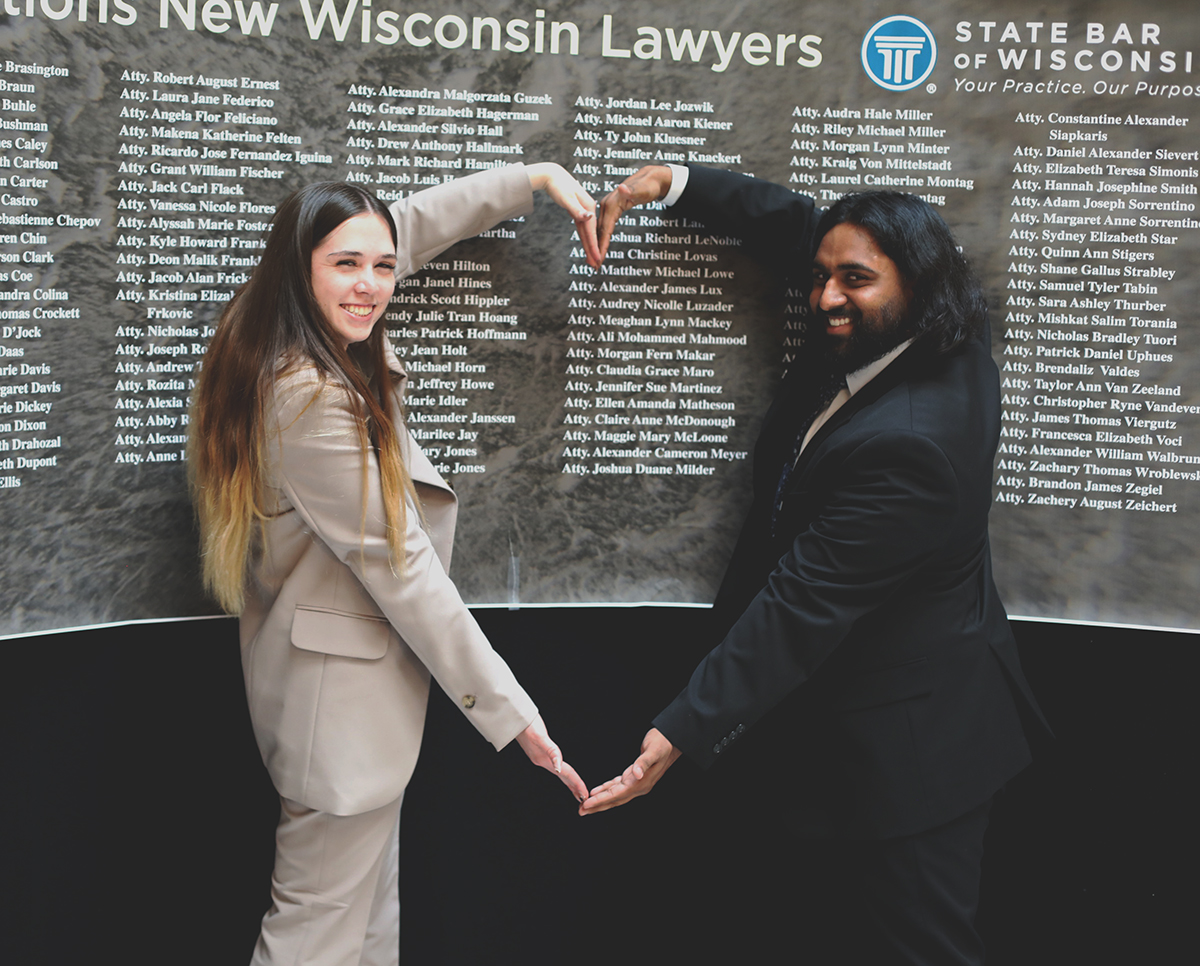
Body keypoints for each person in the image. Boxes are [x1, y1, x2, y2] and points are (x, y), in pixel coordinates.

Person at [579, 164, 1049, 965]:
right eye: (821, 277)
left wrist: (675, 736)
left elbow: (802, 603)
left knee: (917, 947)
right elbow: (805, 227)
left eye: (853, 281)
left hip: (911, 752)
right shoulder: (944, 331)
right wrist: (674, 183)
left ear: (916, 282)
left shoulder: (912, 445)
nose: (825, 297)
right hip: (862, 718)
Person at [189, 162, 598, 966]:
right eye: (347, 265)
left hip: (350, 706)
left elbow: (403, 225)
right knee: (313, 941)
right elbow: (404, 569)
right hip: (337, 718)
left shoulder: (279, 325)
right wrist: (514, 716)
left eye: (383, 266)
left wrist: (532, 180)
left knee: (370, 931)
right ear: (299, 268)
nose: (372, 285)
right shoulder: (304, 396)